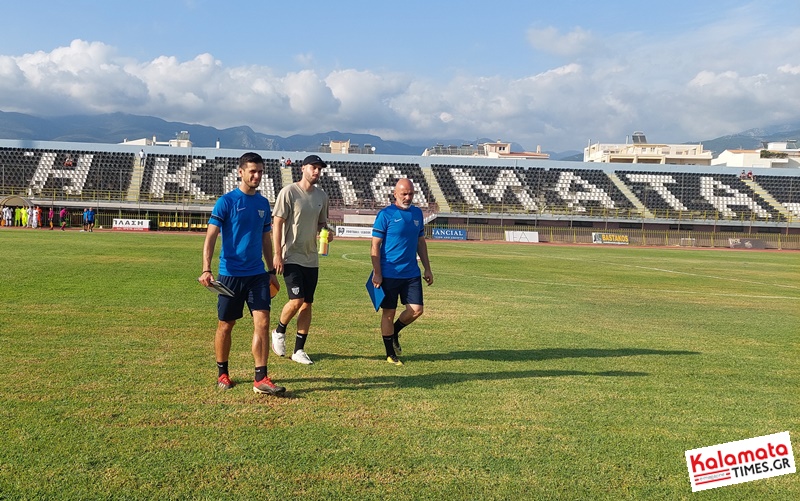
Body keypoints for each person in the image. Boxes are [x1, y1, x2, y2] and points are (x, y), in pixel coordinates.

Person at [198, 152, 285, 395]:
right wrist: (207, 268)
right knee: (226, 324)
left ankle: (261, 378)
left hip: (257, 274)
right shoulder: (225, 202)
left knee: (263, 321)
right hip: (230, 275)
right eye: (252, 171)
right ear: (240, 172)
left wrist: (270, 270)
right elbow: (211, 237)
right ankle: (222, 372)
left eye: (260, 172)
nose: (257, 176)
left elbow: (265, 238)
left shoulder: (262, 203)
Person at [270, 154, 332, 365]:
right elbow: (277, 223)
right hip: (291, 255)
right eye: (313, 167)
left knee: (307, 304)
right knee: (296, 300)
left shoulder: (322, 197)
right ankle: (278, 331)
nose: (317, 171)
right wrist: (277, 253)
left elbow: (322, 224)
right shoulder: (289, 192)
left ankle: (299, 350)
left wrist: (327, 232)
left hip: (311, 257)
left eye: (319, 168)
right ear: (303, 168)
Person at [370, 178, 433, 365]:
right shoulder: (385, 215)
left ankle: (395, 331)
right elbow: (375, 246)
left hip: (411, 273)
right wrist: (377, 272)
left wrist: (427, 268)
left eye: (411, 194)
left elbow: (421, 242)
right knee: (388, 313)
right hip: (389, 273)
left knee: (416, 310)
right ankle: (390, 353)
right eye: (404, 194)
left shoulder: (417, 214)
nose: (407, 197)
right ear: (395, 194)